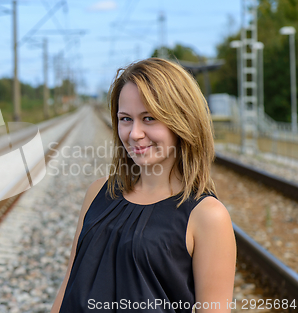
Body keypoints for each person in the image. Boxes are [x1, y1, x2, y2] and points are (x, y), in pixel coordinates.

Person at [50, 58, 236, 313]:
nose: (134, 133)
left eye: (149, 118)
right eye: (126, 119)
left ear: (183, 121)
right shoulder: (98, 193)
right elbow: (69, 284)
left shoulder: (207, 216)